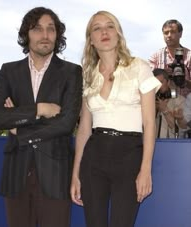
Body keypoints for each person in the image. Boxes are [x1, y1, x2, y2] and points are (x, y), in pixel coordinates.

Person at [0, 7, 82, 227]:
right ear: (26, 34)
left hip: (56, 174)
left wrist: (19, 128)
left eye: (51, 29)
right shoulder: (9, 71)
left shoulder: (71, 72)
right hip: (16, 173)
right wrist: (39, 109)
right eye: (37, 29)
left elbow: (66, 123)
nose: (45, 35)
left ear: (57, 35)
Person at [70, 10, 161, 227]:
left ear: (118, 33)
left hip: (129, 155)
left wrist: (145, 170)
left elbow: (149, 123)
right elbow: (84, 129)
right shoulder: (87, 74)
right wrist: (75, 174)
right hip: (94, 156)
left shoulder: (139, 67)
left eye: (109, 26)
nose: (104, 31)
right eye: (97, 28)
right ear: (90, 40)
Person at [148, 19, 191, 97]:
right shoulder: (155, 57)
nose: (169, 35)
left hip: (186, 105)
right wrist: (163, 74)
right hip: (162, 104)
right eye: (166, 33)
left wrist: (183, 81)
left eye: (173, 32)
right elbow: (147, 83)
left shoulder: (189, 56)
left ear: (180, 34)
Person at [153, 68, 185, 138]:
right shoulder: (149, 102)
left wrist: (165, 110)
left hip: (171, 144)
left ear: (168, 82)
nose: (157, 86)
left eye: (160, 82)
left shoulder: (180, 100)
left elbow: (181, 129)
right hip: (153, 144)